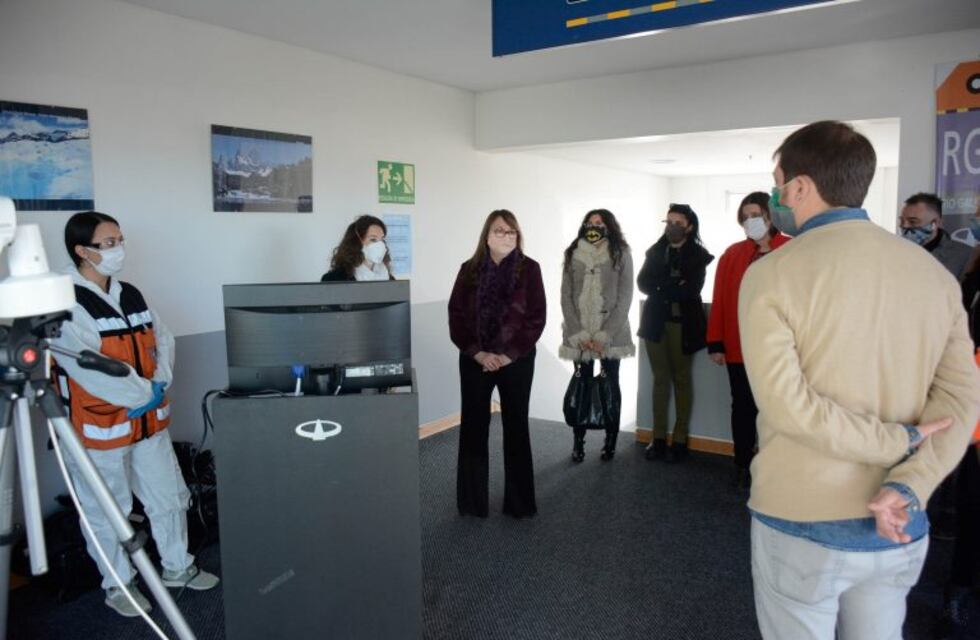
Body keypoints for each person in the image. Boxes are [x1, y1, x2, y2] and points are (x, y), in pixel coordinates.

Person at [739, 121, 979, 640]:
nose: (776, 196)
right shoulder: (934, 276)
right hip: (901, 520)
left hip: (802, 518)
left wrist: (897, 440)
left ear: (800, 187)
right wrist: (909, 482)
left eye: (779, 183)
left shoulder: (771, 274)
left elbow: (788, 408)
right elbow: (961, 404)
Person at [51, 211, 219, 618]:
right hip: (100, 428)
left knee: (169, 498)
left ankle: (178, 566)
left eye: (119, 240)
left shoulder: (130, 293)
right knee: (108, 510)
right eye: (108, 243)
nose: (118, 249)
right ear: (82, 250)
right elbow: (86, 365)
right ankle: (119, 585)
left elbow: (163, 338)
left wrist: (159, 381)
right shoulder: (65, 301)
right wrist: (143, 391)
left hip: (150, 423)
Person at [448, 210, 545, 518]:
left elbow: (536, 319)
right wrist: (478, 353)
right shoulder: (469, 270)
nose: (506, 236)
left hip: (516, 360)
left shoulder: (530, 270)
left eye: (511, 232)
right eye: (499, 231)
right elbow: (456, 317)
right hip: (476, 360)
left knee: (516, 428)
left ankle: (519, 504)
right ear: (486, 236)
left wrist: (507, 355)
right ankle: (472, 504)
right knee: (474, 429)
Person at [707, 192, 790, 489]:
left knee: (776, 410)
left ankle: (775, 466)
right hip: (739, 348)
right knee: (742, 408)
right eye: (745, 217)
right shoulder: (732, 254)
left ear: (770, 215)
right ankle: (742, 462)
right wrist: (715, 342)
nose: (750, 221)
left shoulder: (792, 249)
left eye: (755, 214)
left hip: (780, 350)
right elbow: (720, 301)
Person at [636, 203, 713, 463]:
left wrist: (662, 286)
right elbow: (643, 283)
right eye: (668, 222)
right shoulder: (656, 251)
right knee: (660, 380)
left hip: (684, 325)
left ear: (689, 226)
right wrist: (671, 283)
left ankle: (679, 440)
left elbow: (690, 290)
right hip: (655, 325)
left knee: (681, 379)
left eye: (678, 223)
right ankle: (657, 439)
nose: (672, 227)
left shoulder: (699, 255)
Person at [559, 208, 635, 462]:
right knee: (581, 383)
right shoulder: (573, 253)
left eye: (600, 222)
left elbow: (625, 298)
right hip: (579, 334)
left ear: (609, 226)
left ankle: (610, 440)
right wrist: (577, 332)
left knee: (610, 383)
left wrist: (604, 335)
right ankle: (578, 442)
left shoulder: (621, 253)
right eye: (590, 222)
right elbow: (565, 296)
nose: (595, 226)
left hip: (611, 334)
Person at [899, 192, 973, 279]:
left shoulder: (964, 255)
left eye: (913, 221)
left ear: (936, 223)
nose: (904, 226)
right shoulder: (895, 252)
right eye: (902, 221)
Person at [321, 214, 394, 281]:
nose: (380, 245)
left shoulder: (389, 278)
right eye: (373, 239)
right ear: (356, 242)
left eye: (382, 239)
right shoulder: (334, 278)